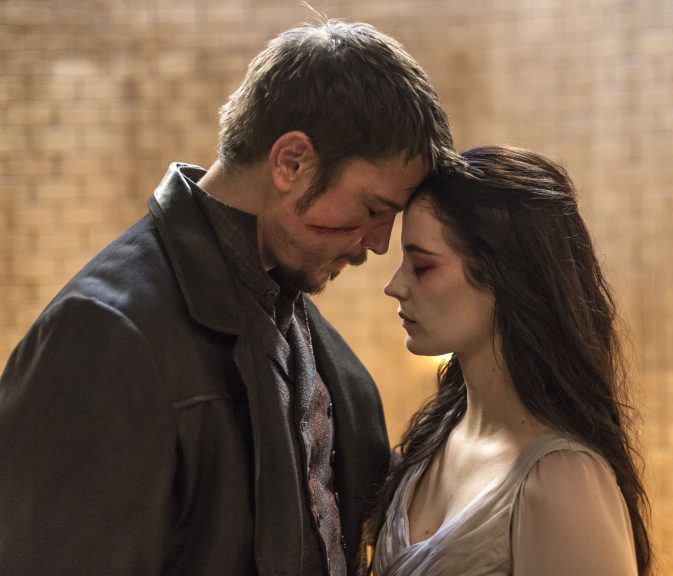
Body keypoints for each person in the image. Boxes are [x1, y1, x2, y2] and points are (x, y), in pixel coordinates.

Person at [0, 19, 455, 576]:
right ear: (291, 162)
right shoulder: (105, 334)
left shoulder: (302, 328)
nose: (379, 243)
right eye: (373, 208)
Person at [372, 145, 652, 575]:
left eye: (422, 266)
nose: (395, 286)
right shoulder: (438, 434)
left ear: (503, 275)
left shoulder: (562, 481)